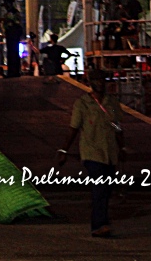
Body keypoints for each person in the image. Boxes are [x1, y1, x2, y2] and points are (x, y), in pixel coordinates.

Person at [57, 70, 125, 237]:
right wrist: (64, 150)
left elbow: (117, 126)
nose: (100, 83)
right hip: (92, 152)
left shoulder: (112, 102)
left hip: (109, 151)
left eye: (102, 80)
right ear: (90, 82)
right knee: (99, 188)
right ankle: (98, 224)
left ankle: (102, 220)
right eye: (96, 80)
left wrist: (121, 147)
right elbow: (74, 128)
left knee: (107, 189)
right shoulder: (83, 103)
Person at [2, 0, 23, 78]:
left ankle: (14, 72)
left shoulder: (13, 12)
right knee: (12, 53)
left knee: (13, 53)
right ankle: (13, 71)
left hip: (13, 34)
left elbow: (14, 22)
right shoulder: (13, 12)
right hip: (12, 34)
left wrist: (5, 21)